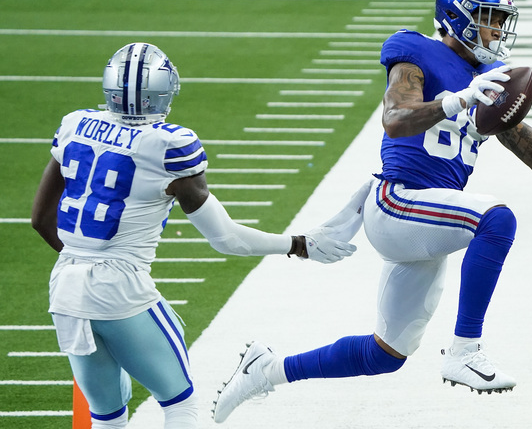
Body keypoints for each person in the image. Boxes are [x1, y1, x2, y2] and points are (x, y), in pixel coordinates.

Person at [212, 0, 532, 423]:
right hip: (398, 201)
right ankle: (465, 349)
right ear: (458, 16)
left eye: (501, 19)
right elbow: (395, 118)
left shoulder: (490, 78)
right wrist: (456, 100)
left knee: (385, 354)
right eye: (489, 17)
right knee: (497, 218)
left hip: (427, 218)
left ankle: (266, 370)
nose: (497, 28)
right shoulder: (415, 53)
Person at [30, 42, 356, 429]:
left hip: (65, 286)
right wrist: (298, 244)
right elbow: (226, 238)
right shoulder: (169, 145)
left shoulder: (75, 124)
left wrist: (83, 262)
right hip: (119, 286)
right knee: (179, 403)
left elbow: (40, 218)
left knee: (107, 416)